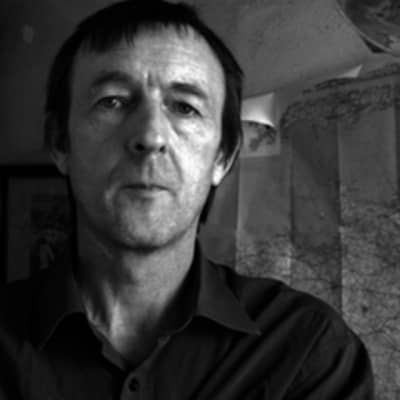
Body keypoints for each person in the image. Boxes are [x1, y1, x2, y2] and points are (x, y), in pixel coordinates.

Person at [0, 1, 374, 399]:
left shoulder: (308, 352)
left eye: (185, 107)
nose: (150, 136)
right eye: (113, 101)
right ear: (61, 143)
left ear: (222, 158)